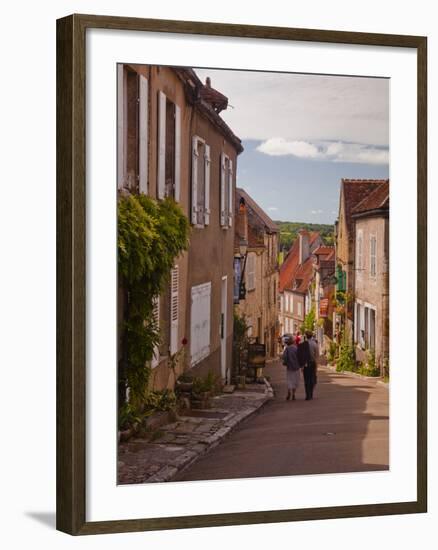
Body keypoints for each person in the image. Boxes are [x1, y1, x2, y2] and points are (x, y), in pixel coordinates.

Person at [298, 331, 319, 400]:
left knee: (306, 379)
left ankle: (307, 395)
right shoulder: (315, 344)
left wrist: (301, 365)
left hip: (306, 364)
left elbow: (301, 356)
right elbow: (316, 356)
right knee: (312, 378)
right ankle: (311, 393)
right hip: (312, 363)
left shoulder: (303, 344)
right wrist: (316, 366)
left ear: (306, 336)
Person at [281, 336, 302, 401]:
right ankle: (293, 394)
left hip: (289, 367)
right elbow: (300, 357)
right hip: (296, 367)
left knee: (289, 380)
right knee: (295, 381)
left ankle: (288, 392)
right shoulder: (296, 348)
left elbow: (284, 357)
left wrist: (285, 362)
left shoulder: (287, 349)